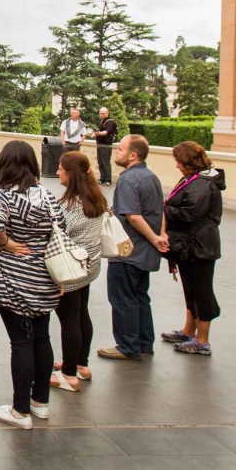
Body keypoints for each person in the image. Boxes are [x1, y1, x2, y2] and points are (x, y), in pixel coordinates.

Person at [0, 140, 64, 429]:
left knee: (21, 342)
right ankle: (40, 402)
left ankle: (19, 411)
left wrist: (7, 243)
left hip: (13, 278)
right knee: (42, 339)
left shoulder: (3, 195)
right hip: (44, 278)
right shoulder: (47, 195)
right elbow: (61, 229)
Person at [98, 135, 167, 362]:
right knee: (139, 297)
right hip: (144, 253)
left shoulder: (128, 179)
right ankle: (144, 343)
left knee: (123, 299)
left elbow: (133, 216)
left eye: (120, 149)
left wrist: (155, 238)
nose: (116, 152)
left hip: (128, 252)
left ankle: (127, 346)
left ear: (133, 155)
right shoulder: (151, 177)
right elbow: (160, 210)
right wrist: (159, 235)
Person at [160, 141, 225, 356]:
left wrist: (165, 209)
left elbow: (189, 213)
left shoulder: (203, 184)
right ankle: (189, 331)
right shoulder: (195, 180)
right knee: (191, 289)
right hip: (192, 245)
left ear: (190, 162)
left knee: (202, 292)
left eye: (179, 161)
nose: (177, 165)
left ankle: (202, 340)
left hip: (200, 246)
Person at [53, 151, 107, 389]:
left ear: (71, 174)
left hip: (69, 270)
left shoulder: (67, 207)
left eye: (61, 169)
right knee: (82, 313)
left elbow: (56, 236)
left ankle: (69, 374)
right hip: (88, 266)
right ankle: (81, 364)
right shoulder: (96, 198)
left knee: (69, 320)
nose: (58, 173)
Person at [93, 106, 118, 186]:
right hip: (100, 144)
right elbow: (99, 131)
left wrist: (98, 133)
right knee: (100, 162)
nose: (101, 115)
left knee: (105, 163)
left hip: (106, 145)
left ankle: (108, 180)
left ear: (107, 113)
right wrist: (95, 134)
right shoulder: (101, 121)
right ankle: (102, 178)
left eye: (103, 113)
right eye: (100, 113)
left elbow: (106, 132)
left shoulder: (110, 122)